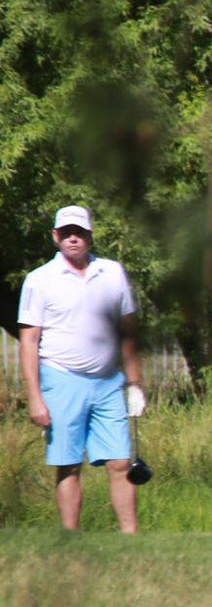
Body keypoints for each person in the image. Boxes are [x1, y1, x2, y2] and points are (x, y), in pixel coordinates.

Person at [18, 205, 145, 532]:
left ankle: (132, 540)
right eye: (66, 233)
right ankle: (71, 539)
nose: (73, 239)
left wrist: (135, 383)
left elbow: (128, 330)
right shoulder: (39, 280)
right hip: (61, 378)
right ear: (56, 237)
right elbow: (29, 341)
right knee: (68, 464)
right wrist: (34, 397)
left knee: (120, 461)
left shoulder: (112, 272)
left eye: (80, 233)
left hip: (108, 381)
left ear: (90, 235)